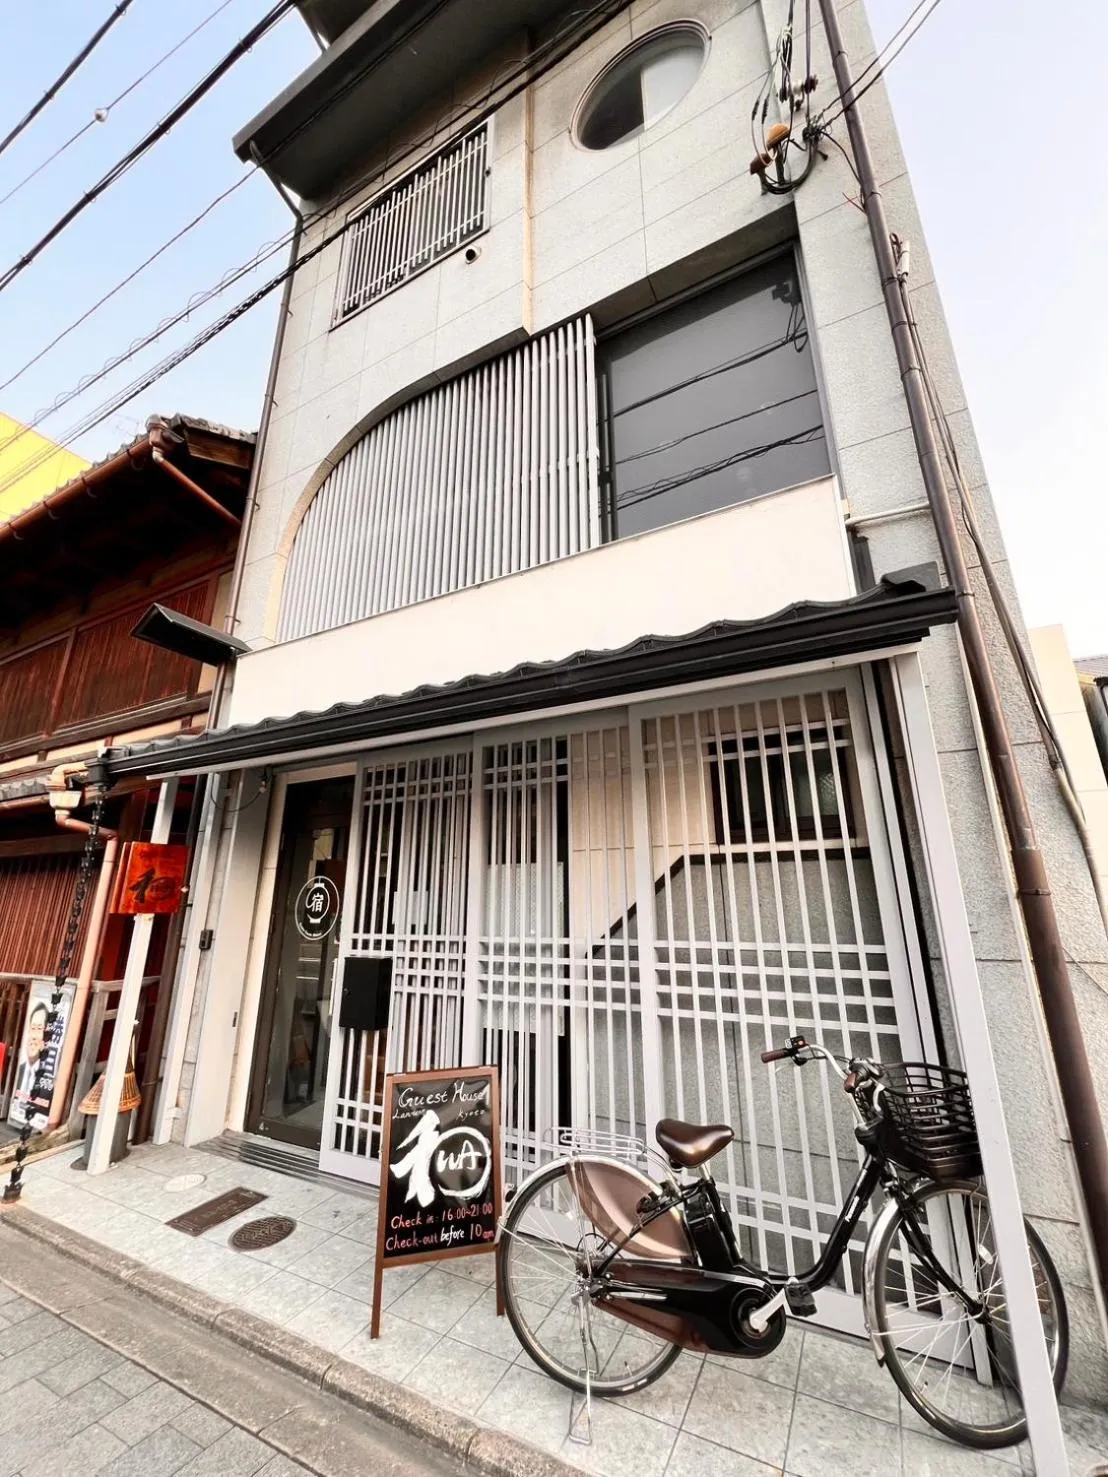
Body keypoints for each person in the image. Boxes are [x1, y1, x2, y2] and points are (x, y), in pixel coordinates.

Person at [13, 1002, 49, 1112]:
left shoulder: (48, 1078)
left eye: (39, 1029)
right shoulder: (18, 1070)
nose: (33, 1037)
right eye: (33, 1028)